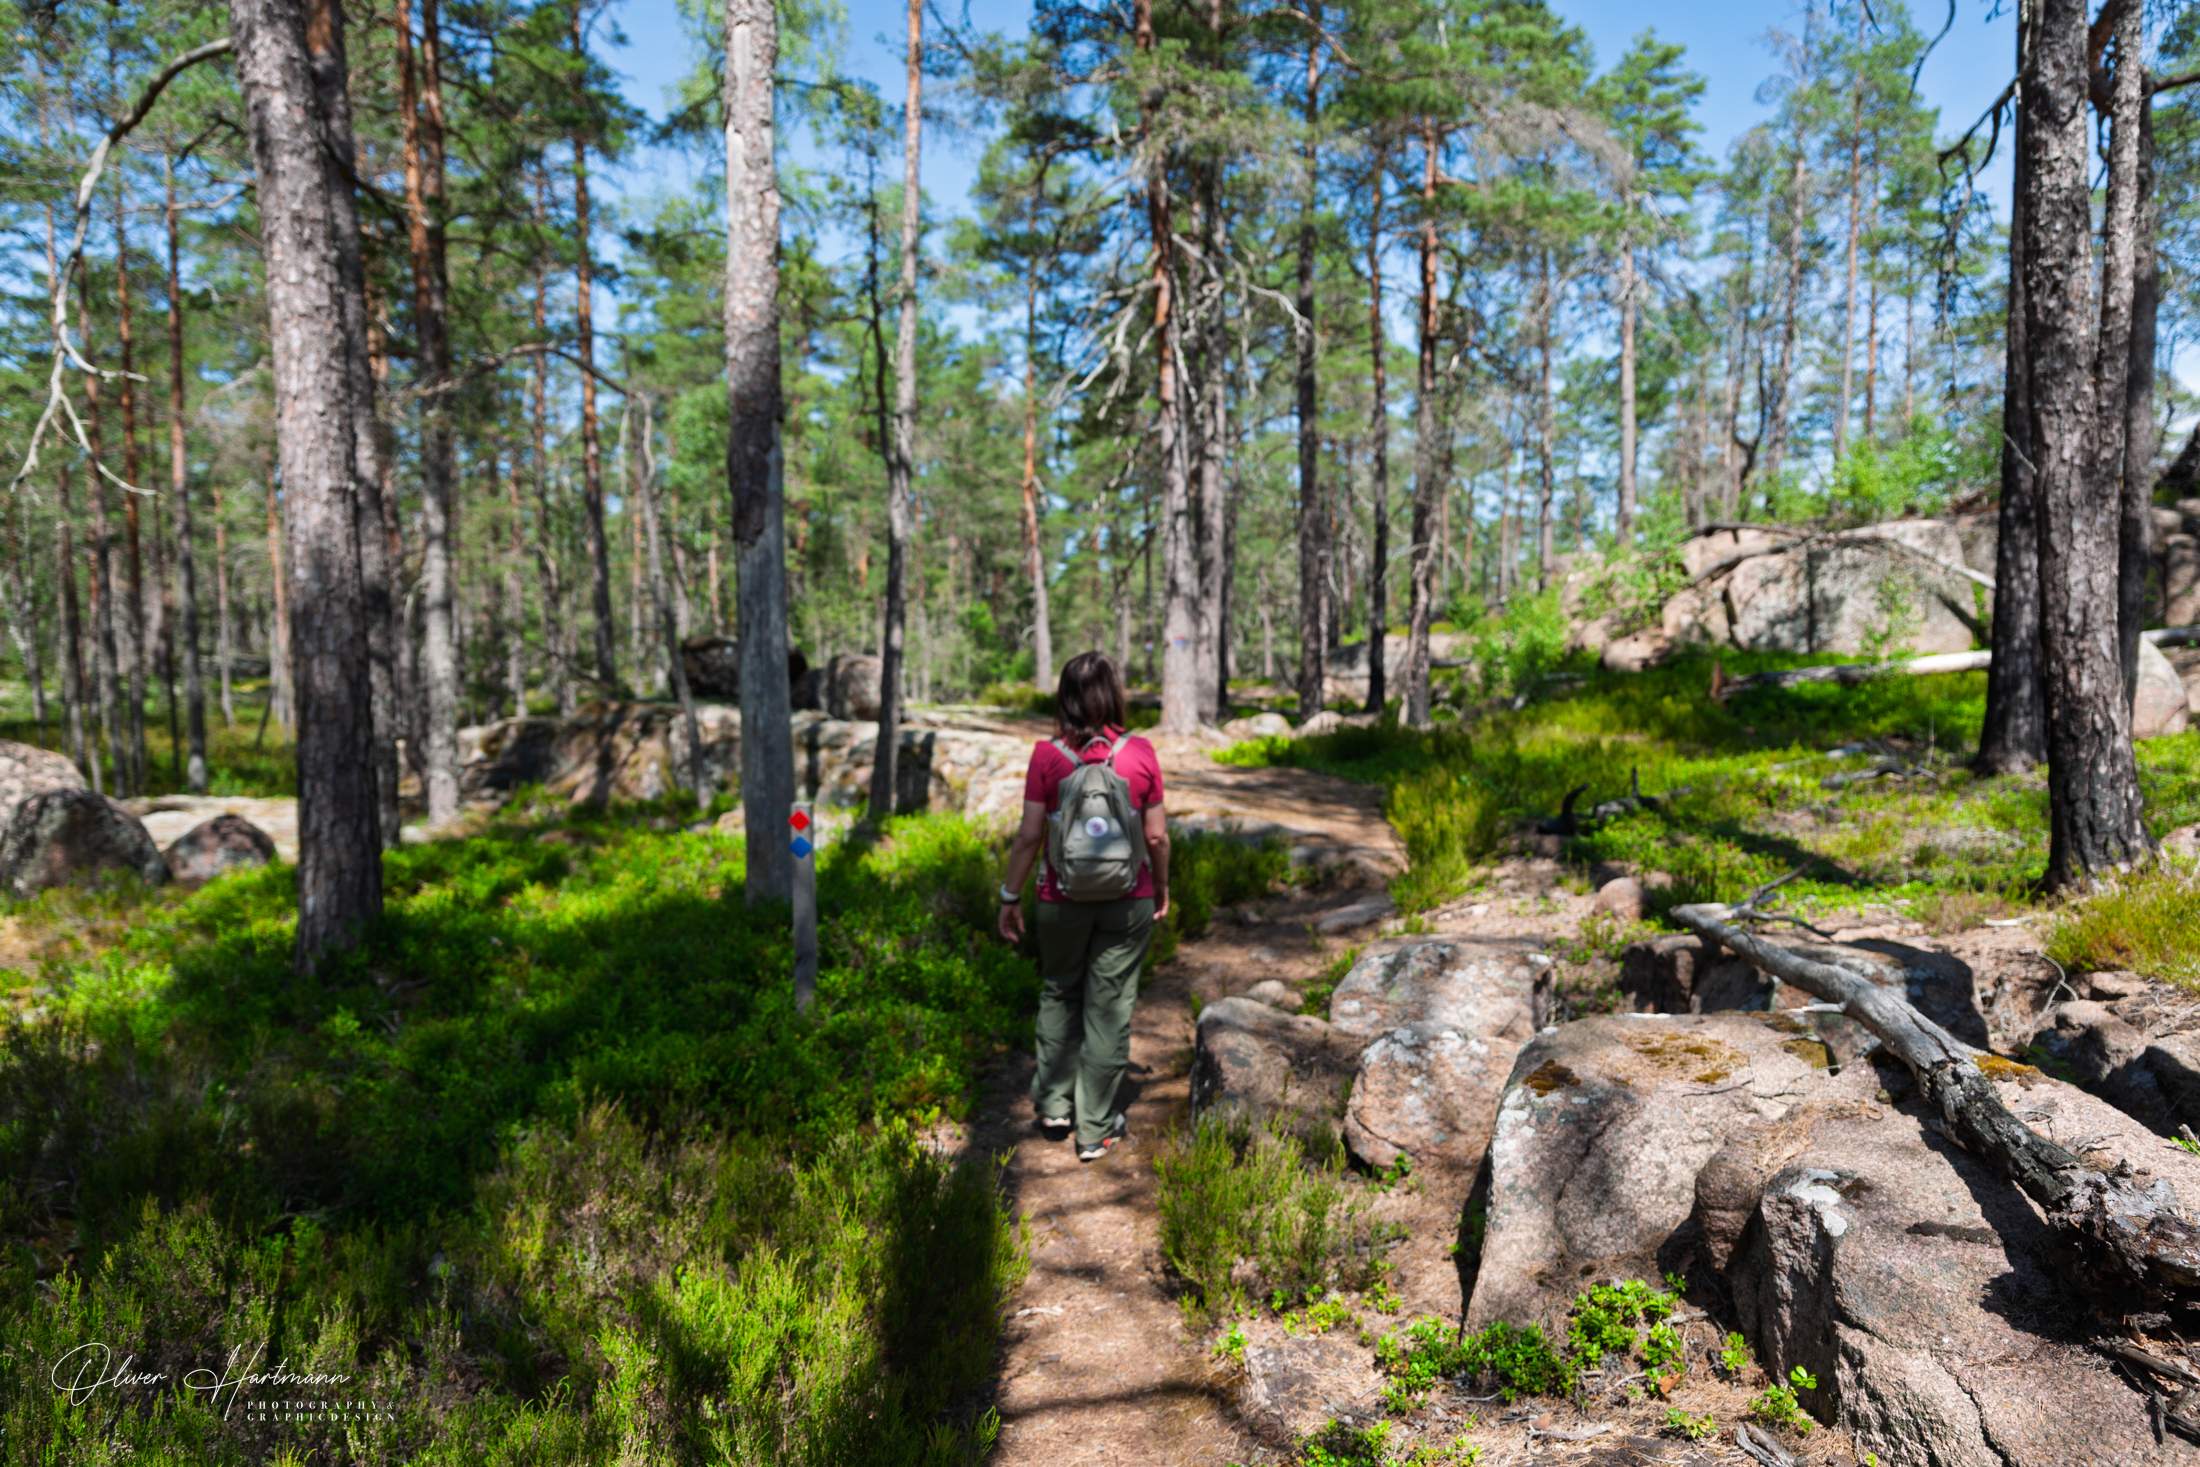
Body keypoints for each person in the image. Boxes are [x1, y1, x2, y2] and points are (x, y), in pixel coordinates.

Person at [997, 651, 1170, 1162]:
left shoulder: (1046, 757)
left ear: (1065, 697)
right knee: (1109, 1006)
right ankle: (1093, 1127)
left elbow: (1030, 836)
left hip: (1059, 897)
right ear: (1114, 693)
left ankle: (1054, 1104)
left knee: (1059, 991)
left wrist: (1009, 895)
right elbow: (1156, 836)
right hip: (1128, 899)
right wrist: (1161, 887)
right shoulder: (1140, 753)